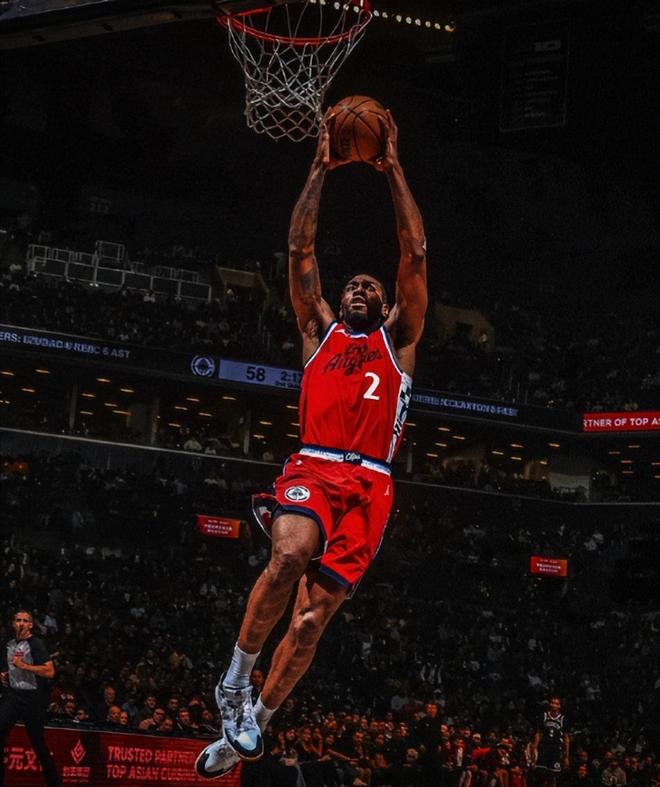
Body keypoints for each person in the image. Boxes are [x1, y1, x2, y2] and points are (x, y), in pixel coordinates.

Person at [196, 107, 427, 779]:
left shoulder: (399, 340)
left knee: (308, 623)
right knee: (291, 551)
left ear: (384, 304)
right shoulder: (317, 331)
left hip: (373, 483)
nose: (358, 288)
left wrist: (393, 169)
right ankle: (234, 681)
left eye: (369, 286)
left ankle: (252, 723)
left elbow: (413, 253)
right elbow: (300, 250)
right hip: (316, 466)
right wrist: (320, 168)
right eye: (351, 284)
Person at [0, 609, 61, 787]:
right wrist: (4, 674)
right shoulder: (9, 643)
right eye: (18, 620)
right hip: (13, 695)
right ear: (13, 623)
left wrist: (25, 666)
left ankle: (54, 782)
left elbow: (49, 671)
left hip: (32, 697)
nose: (21, 623)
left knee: (37, 742)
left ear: (31, 625)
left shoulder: (36, 644)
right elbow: (8, 667)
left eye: (25, 621)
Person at [532, 697, 570, 787]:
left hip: (556, 749)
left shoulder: (563, 719)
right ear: (550, 704)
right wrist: (534, 748)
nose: (554, 705)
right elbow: (538, 733)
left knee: (553, 776)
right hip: (544, 747)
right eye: (552, 703)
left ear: (559, 706)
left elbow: (566, 738)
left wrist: (566, 756)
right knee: (541, 774)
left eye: (556, 704)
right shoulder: (543, 716)